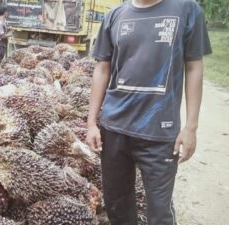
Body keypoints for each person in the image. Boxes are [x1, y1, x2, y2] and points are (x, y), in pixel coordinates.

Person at [86, 0, 212, 225]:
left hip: (159, 133)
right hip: (114, 128)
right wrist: (91, 123)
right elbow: (102, 68)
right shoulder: (115, 15)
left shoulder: (187, 10)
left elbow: (194, 67)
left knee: (159, 214)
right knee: (117, 206)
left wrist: (191, 127)